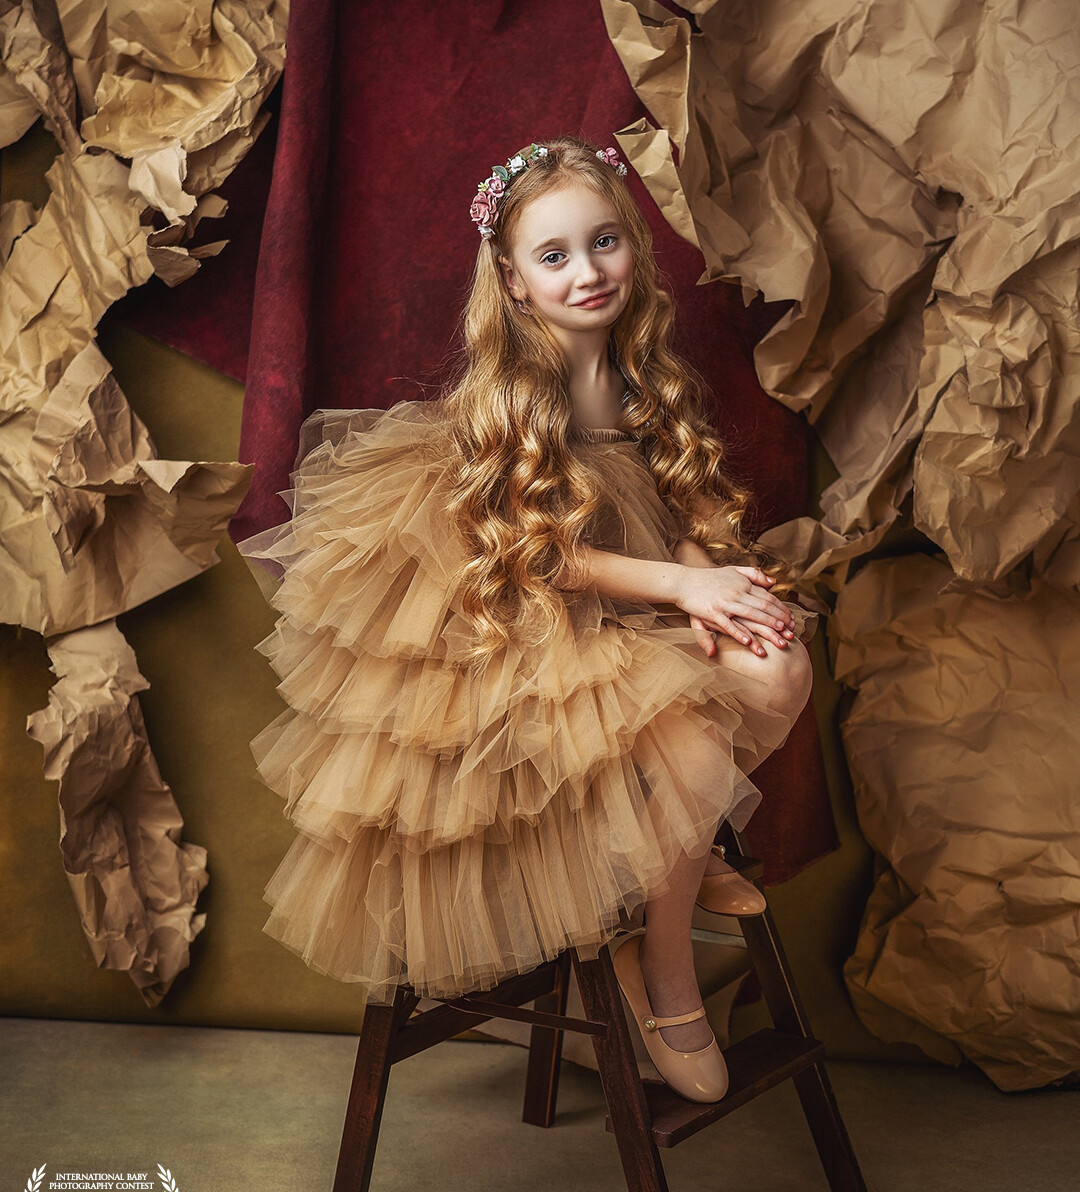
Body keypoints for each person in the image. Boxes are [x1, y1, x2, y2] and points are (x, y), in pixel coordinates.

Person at [237, 135, 815, 1104]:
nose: (586, 273)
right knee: (686, 733)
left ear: (632, 244)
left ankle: (682, 845)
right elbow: (529, 556)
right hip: (519, 630)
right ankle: (663, 966)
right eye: (554, 256)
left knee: (781, 668)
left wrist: (715, 584)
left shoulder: (639, 373)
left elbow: (673, 506)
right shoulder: (515, 392)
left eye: (603, 243)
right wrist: (681, 592)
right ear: (512, 280)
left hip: (631, 608)